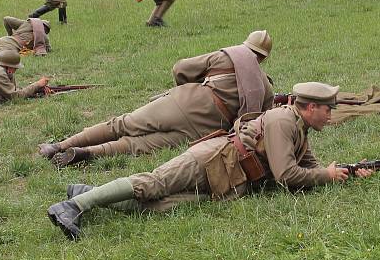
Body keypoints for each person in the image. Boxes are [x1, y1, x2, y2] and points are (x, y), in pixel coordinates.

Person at [47, 82, 374, 240]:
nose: (331, 115)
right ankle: (72, 207)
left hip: (229, 178)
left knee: (162, 204)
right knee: (153, 184)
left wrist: (342, 170)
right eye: (327, 108)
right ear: (309, 107)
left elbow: (306, 168)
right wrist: (326, 176)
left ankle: (86, 193)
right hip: (210, 160)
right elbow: (288, 175)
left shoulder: (299, 129)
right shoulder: (282, 122)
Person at [39, 30, 274, 167]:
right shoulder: (265, 87)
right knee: (137, 145)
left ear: (246, 46)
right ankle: (87, 154)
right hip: (207, 129)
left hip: (183, 103)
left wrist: (188, 90)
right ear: (262, 58)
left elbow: (180, 69)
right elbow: (257, 122)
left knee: (123, 124)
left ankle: (59, 146)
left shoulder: (227, 57)